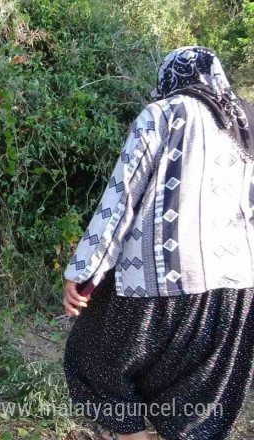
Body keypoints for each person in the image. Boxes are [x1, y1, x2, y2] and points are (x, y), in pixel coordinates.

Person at [61, 46, 254, 440]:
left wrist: (83, 273)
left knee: (92, 360)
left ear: (170, 78)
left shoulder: (162, 114)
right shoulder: (248, 120)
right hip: (236, 290)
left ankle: (132, 435)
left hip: (159, 281)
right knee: (199, 412)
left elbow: (121, 199)